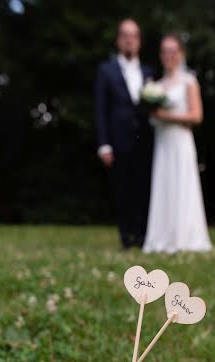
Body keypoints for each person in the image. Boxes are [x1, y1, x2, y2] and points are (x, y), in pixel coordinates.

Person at [143, 34, 212, 253]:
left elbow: (196, 116)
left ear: (181, 54)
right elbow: (154, 118)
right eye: (165, 51)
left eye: (173, 51)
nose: (169, 56)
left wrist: (166, 116)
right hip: (162, 143)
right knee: (164, 186)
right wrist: (155, 116)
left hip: (181, 142)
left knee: (183, 185)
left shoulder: (189, 81)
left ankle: (185, 238)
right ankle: (162, 237)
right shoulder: (156, 85)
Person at [95, 19, 154, 249]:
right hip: (118, 141)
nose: (130, 40)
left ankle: (142, 236)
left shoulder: (149, 72)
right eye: (125, 35)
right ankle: (126, 238)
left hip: (146, 141)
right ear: (119, 40)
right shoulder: (105, 70)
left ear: (138, 41)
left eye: (134, 35)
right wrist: (103, 144)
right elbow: (100, 109)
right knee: (122, 190)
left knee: (144, 189)